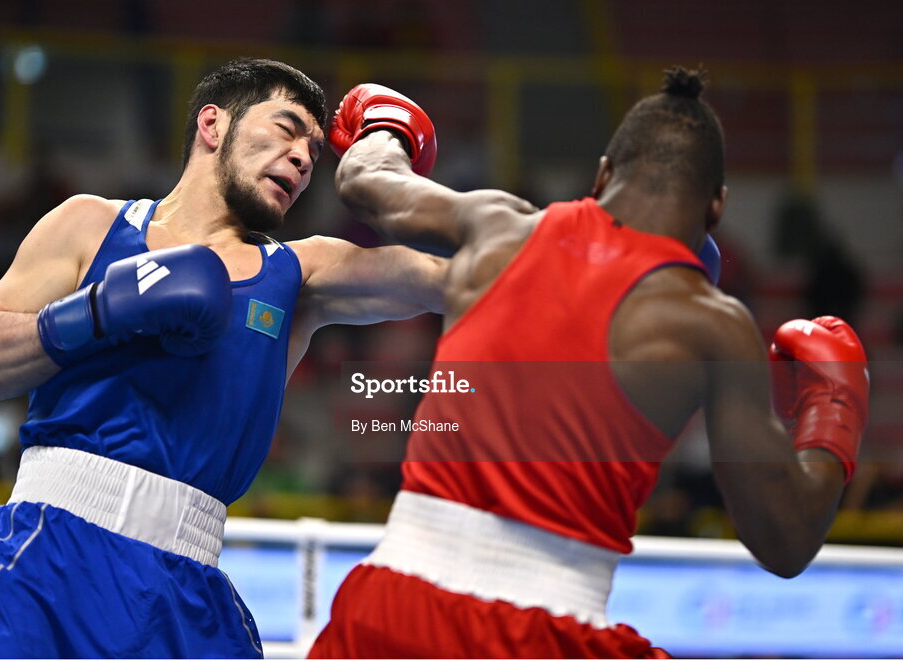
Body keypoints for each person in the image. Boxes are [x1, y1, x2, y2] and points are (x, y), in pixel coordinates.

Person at [309, 70, 869, 658]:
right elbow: (785, 539)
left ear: (603, 175)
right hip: (548, 632)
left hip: (391, 611)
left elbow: (367, 179)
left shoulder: (497, 226)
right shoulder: (710, 323)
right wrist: (837, 410)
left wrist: (386, 128)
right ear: (716, 208)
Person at [0, 58, 445, 659]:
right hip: (45, 557)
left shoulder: (299, 273)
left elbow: (453, 278)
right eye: (286, 129)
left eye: (314, 148)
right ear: (213, 124)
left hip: (188, 587)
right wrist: (101, 309)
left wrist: (385, 167)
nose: (305, 159)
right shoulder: (90, 224)